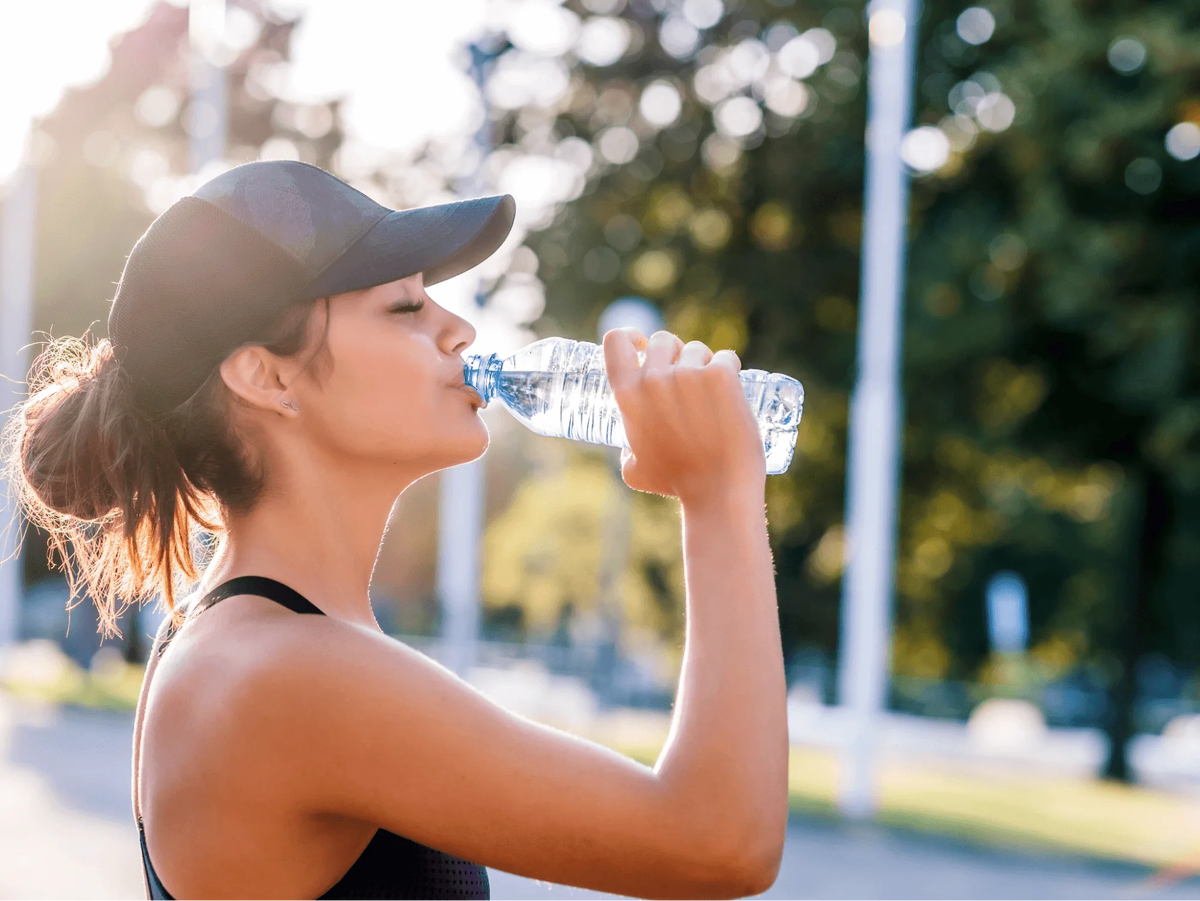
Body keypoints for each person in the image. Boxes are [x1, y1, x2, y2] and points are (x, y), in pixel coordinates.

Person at [9, 160, 788, 900]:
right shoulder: (284, 673)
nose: (461, 331)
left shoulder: (252, 641)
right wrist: (717, 495)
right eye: (407, 307)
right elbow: (719, 841)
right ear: (267, 376)